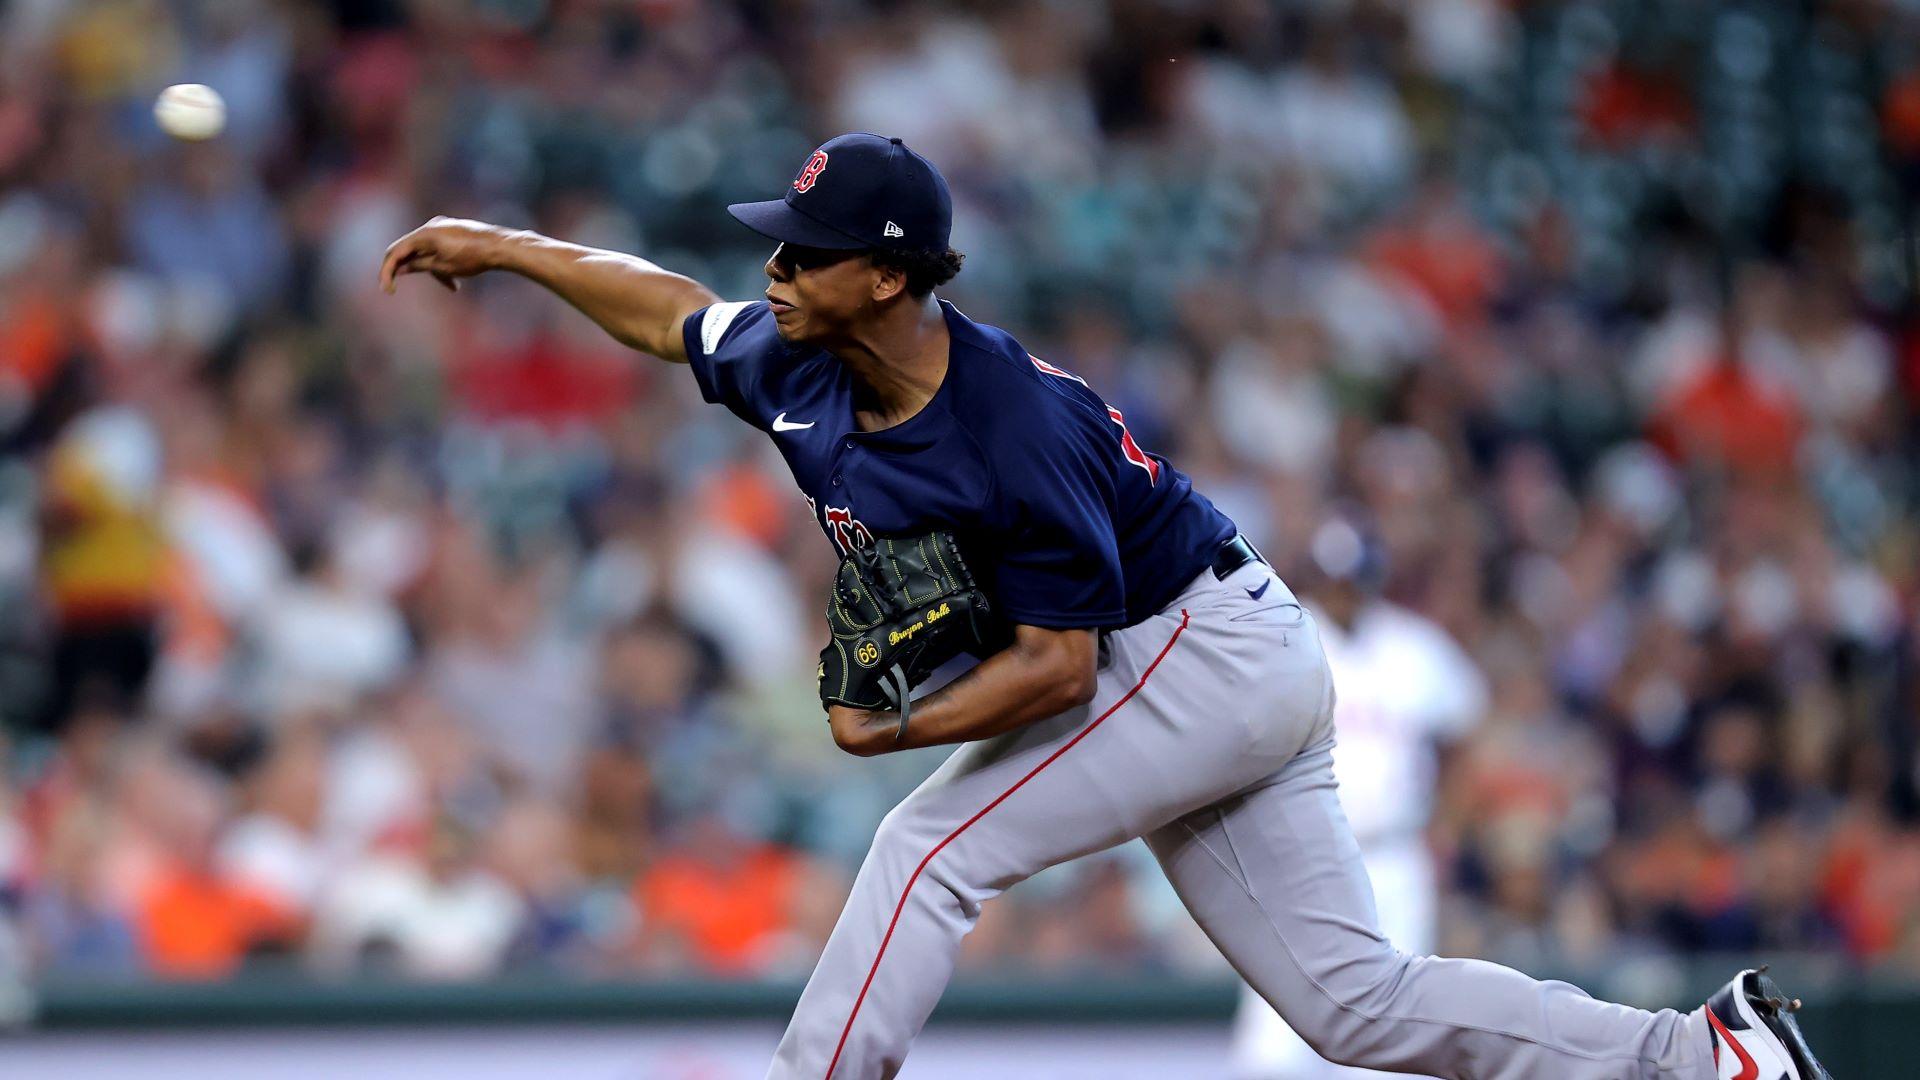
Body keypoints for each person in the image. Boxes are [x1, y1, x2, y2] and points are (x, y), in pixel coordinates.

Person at [379, 133, 1830, 1080]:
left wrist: (897, 736)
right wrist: (501, 246)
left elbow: (1062, 676)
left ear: (887, 274)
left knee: (923, 844)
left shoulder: (1011, 431)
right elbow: (663, 305)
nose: (776, 264)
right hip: (1209, 657)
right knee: (1350, 1006)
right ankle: (1710, 1058)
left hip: (1185, 648)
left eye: (807, 247)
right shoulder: (796, 355)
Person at [1232, 515, 1484, 1080]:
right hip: (1303, 857)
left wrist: (1447, 825)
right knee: (1274, 1041)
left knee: (1391, 1038)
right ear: (1317, 580)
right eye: (1337, 580)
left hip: (1393, 855)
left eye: (1357, 580)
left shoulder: (1414, 649)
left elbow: (1464, 730)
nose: (1347, 592)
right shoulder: (1281, 638)